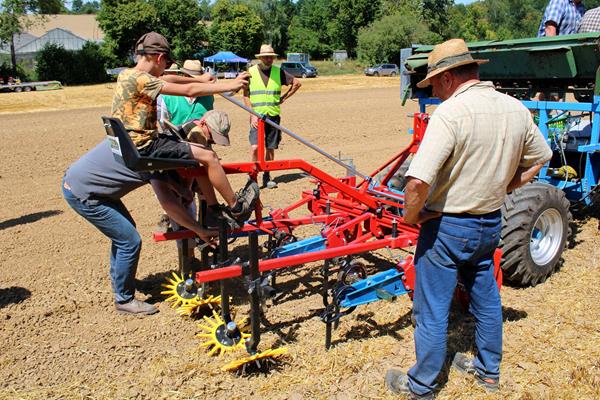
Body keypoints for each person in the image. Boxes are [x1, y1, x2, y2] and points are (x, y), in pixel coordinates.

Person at [384, 39, 553, 399]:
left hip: (447, 227)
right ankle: (488, 374)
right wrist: (506, 188)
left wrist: (412, 217)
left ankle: (421, 386)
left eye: (435, 85)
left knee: (431, 311)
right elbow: (541, 156)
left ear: (446, 78)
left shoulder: (450, 114)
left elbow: (417, 181)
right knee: (487, 302)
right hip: (490, 224)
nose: (437, 93)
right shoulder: (514, 108)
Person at [113, 32, 258, 227]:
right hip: (145, 146)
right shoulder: (143, 80)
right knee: (209, 157)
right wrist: (230, 85)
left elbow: (169, 79)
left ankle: (214, 210)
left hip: (132, 144)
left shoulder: (128, 74)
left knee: (198, 162)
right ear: (159, 58)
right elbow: (188, 91)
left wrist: (201, 80)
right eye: (165, 64)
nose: (165, 69)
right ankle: (237, 207)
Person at [62, 137, 219, 316]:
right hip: (83, 193)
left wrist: (182, 190)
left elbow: (164, 179)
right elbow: (169, 204)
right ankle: (124, 299)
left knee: (124, 234)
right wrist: (199, 229)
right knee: (129, 240)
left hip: (88, 186)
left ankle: (124, 282)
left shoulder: (147, 144)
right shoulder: (150, 155)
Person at [243, 44, 301, 189]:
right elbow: (245, 96)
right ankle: (252, 174)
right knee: (255, 147)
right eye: (266, 57)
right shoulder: (250, 72)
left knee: (270, 147)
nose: (269, 59)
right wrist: (252, 114)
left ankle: (267, 174)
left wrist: (284, 98)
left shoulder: (279, 72)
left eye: (271, 57)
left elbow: (297, 83)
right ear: (260, 58)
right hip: (257, 116)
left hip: (273, 115)